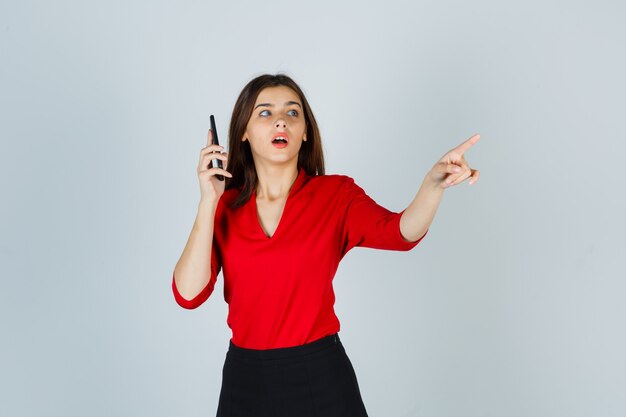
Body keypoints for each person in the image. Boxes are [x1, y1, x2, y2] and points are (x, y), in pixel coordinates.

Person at [171, 73, 480, 417]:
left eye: (292, 113)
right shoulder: (224, 206)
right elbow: (188, 294)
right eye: (264, 113)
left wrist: (432, 185)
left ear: (305, 132)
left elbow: (399, 232)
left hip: (318, 375)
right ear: (242, 132)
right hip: (246, 380)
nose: (280, 121)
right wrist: (208, 202)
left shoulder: (336, 195)